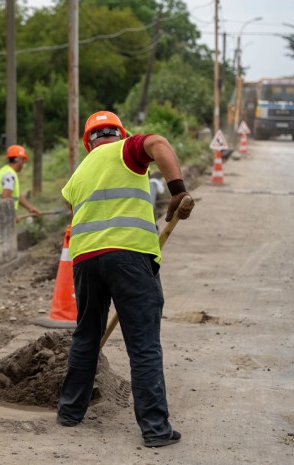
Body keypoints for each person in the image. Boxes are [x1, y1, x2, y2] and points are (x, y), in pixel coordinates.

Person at [56, 111, 195, 448]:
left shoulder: (78, 175)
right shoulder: (127, 149)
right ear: (118, 132)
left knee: (86, 335)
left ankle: (69, 411)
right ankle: (155, 429)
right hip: (130, 257)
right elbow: (159, 144)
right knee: (143, 343)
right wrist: (177, 190)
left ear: (88, 141)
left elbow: (77, 217)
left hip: (86, 261)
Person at [0, 145, 42, 221]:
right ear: (19, 160)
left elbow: (16, 195)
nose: (23, 163)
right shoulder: (10, 175)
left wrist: (31, 208)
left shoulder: (5, 170)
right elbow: (5, 198)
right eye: (23, 160)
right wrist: (12, 215)